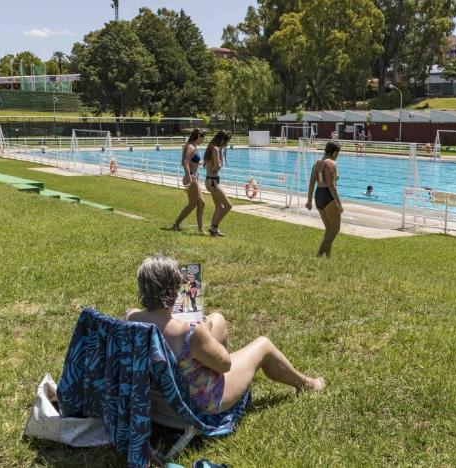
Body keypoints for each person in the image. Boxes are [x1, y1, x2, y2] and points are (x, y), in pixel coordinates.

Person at [126, 255, 325, 416]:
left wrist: (206, 327)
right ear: (174, 290)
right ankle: (307, 384)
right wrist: (204, 331)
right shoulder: (189, 332)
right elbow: (225, 366)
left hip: (155, 403)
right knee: (263, 345)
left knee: (217, 319)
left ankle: (207, 356)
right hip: (198, 404)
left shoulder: (130, 318)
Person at [306, 141, 343, 258]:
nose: (337, 156)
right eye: (338, 153)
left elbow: (312, 183)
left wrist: (309, 200)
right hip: (328, 196)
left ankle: (328, 257)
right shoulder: (331, 163)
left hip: (319, 196)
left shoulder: (317, 163)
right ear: (334, 152)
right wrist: (339, 203)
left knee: (329, 229)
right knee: (335, 229)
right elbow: (331, 185)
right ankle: (319, 255)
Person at [169, 129, 207, 234]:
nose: (203, 140)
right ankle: (176, 225)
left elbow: (190, 162)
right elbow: (184, 162)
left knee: (200, 204)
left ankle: (200, 229)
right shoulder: (191, 147)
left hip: (193, 177)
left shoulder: (192, 146)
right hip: (191, 178)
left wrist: (198, 163)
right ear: (198, 136)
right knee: (193, 204)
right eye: (203, 138)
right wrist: (190, 179)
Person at [203, 130, 232, 237]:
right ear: (222, 140)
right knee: (228, 205)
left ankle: (214, 229)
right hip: (212, 182)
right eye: (226, 141)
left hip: (211, 180)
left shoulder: (210, 147)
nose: (227, 144)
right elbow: (216, 168)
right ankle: (214, 227)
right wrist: (220, 161)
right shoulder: (215, 149)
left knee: (219, 207)